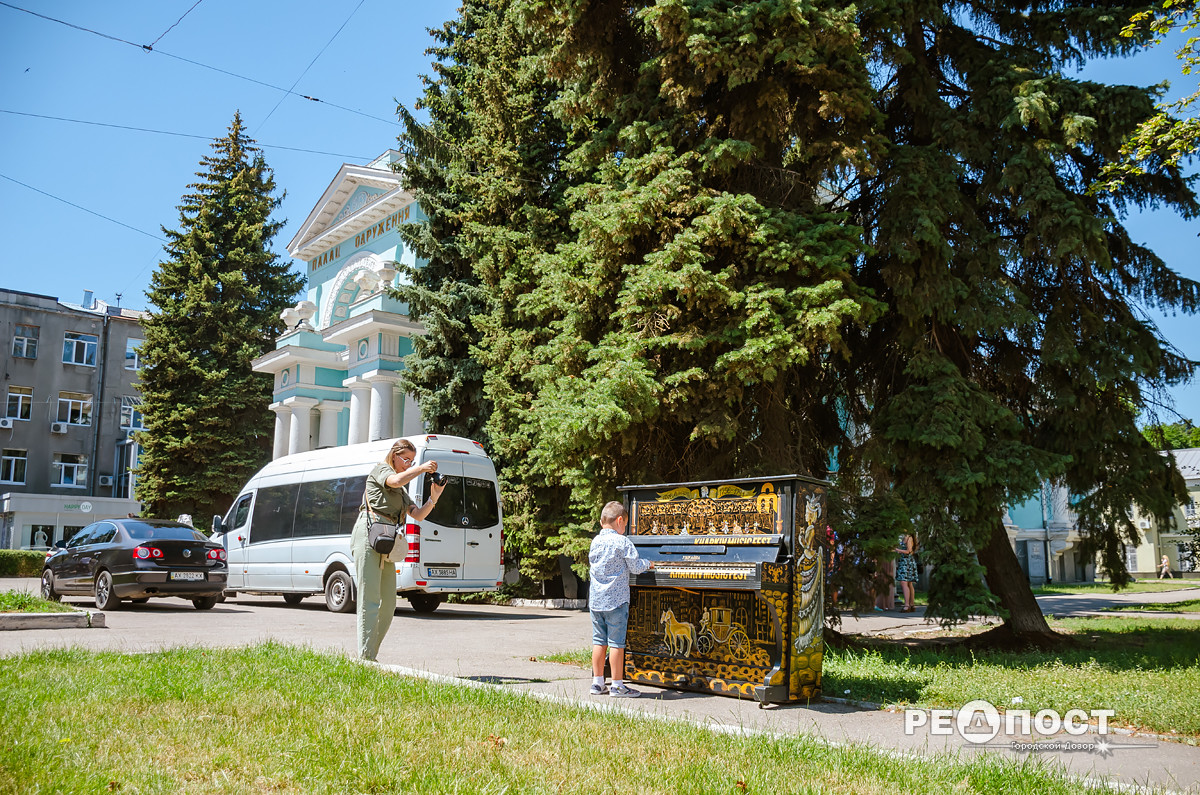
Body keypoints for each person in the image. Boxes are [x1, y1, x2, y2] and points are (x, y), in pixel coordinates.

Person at [351, 439, 445, 661]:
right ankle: (366, 657)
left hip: (387, 539)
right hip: (368, 532)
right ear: (394, 455)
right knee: (370, 598)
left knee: (389, 604)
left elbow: (418, 515)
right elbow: (394, 481)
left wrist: (434, 497)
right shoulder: (381, 470)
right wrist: (421, 468)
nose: (408, 464)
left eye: (412, 461)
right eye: (406, 459)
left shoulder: (402, 492)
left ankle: (369, 655)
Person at [588, 500, 653, 697]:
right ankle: (617, 685)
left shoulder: (595, 541)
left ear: (602, 522)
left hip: (596, 601)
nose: (624, 528)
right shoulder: (622, 542)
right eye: (625, 524)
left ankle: (597, 683)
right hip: (616, 602)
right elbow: (635, 567)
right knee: (617, 643)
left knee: (599, 641)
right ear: (619, 521)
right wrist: (649, 563)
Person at [896, 532, 918, 612]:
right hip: (904, 561)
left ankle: (907, 605)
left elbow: (909, 551)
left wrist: (897, 550)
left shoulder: (909, 537)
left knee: (904, 582)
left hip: (907, 562)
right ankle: (911, 605)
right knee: (908, 583)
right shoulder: (904, 537)